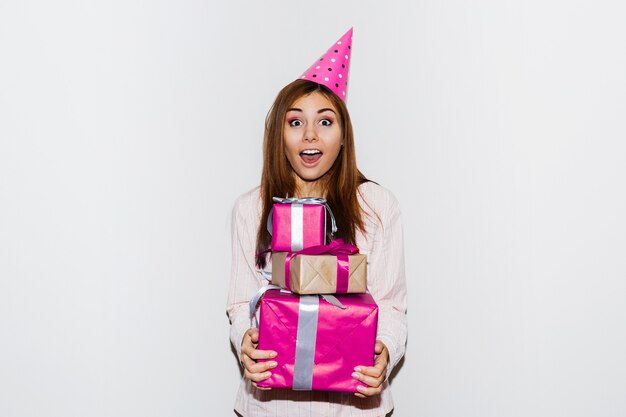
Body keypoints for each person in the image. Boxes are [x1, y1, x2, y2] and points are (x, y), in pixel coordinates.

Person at [226, 28, 407, 417]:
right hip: (269, 408)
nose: (310, 134)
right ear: (280, 135)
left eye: (325, 122)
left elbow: (392, 306)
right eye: (295, 122)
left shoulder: (376, 206)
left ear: (343, 136)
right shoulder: (250, 209)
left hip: (355, 406)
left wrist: (386, 353)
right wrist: (245, 340)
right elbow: (241, 302)